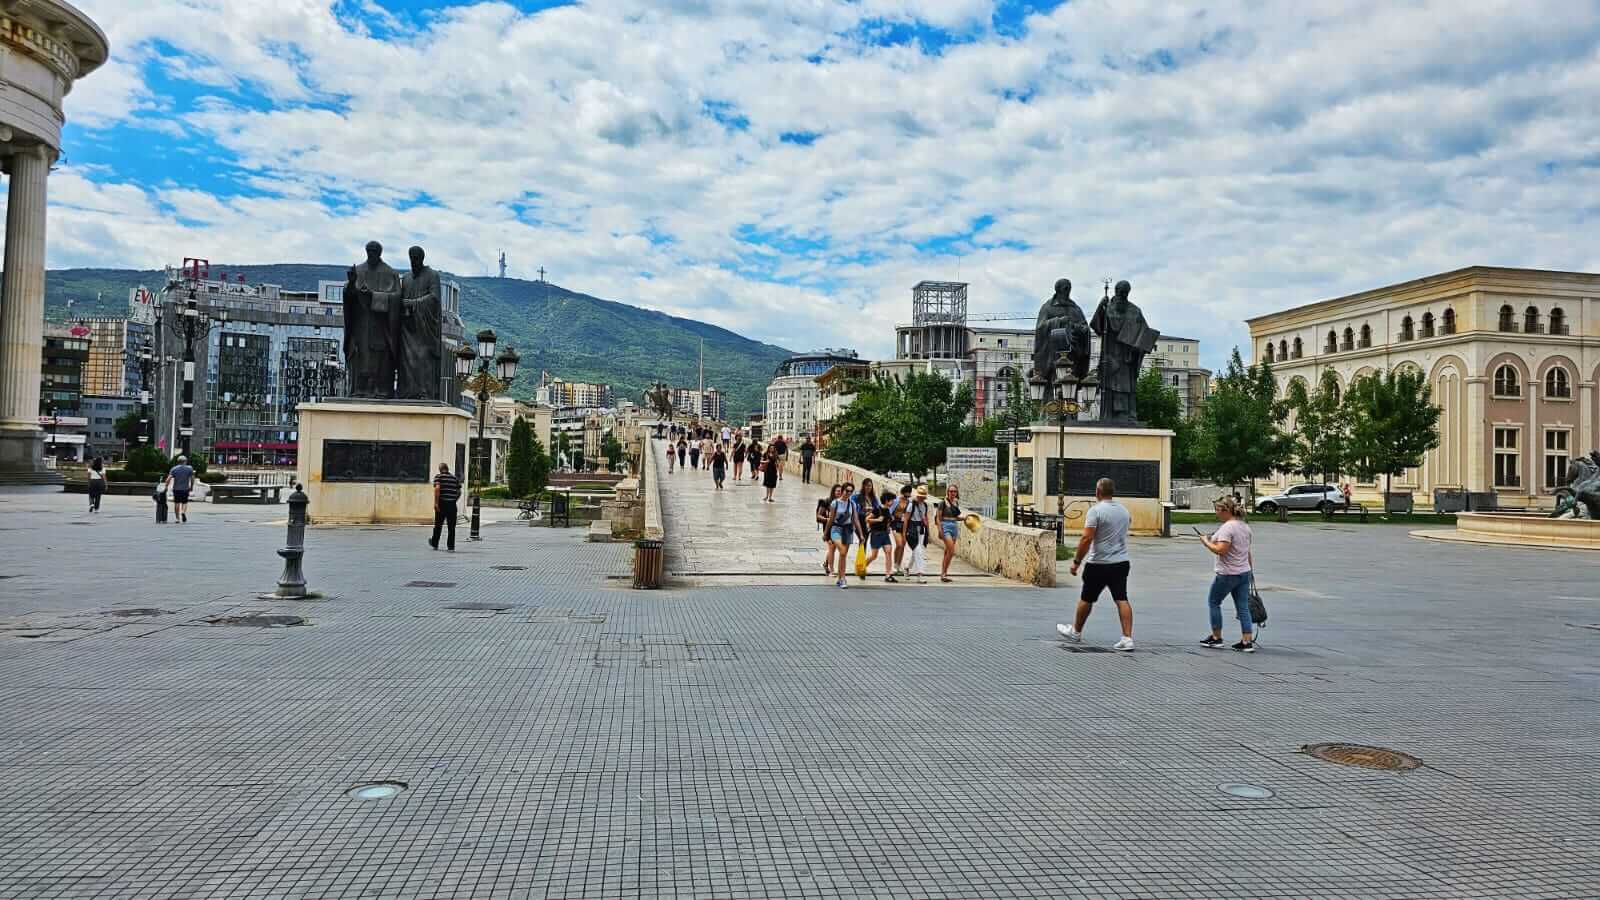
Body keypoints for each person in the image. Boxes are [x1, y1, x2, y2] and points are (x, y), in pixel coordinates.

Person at [1058, 477, 1135, 652]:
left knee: (1087, 598)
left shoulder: (1095, 511)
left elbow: (1087, 538)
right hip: (1121, 562)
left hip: (1099, 563)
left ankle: (1076, 632)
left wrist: (1076, 562)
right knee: (1121, 598)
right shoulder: (1124, 511)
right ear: (1112, 492)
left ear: (1097, 492)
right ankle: (1127, 638)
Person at [1198, 496, 1256, 652]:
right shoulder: (1244, 527)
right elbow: (1246, 551)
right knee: (1242, 606)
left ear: (1224, 510)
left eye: (1217, 510)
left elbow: (1221, 550)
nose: (1216, 513)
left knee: (1214, 602)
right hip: (1244, 572)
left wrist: (1206, 542)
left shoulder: (1227, 528)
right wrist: (1250, 571)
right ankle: (1246, 641)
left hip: (1228, 573)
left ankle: (1216, 638)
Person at [827, 480, 863, 588]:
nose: (849, 493)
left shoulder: (852, 504)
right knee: (842, 551)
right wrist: (826, 533)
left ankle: (840, 578)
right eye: (847, 491)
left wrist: (860, 534)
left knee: (843, 555)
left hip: (848, 529)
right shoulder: (835, 503)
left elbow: (856, 519)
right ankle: (842, 578)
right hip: (836, 529)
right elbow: (831, 519)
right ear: (842, 491)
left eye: (851, 491)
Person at [900, 485, 932, 583]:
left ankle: (906, 568)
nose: (922, 498)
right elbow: (906, 520)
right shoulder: (911, 505)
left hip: (921, 530)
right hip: (911, 530)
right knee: (918, 551)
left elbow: (926, 519)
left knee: (916, 552)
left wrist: (928, 533)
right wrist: (904, 534)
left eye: (923, 496)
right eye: (920, 496)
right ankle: (920, 574)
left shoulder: (925, 505)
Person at [934, 484, 963, 583]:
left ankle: (944, 573)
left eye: (954, 491)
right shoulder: (942, 503)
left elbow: (956, 517)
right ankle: (944, 573)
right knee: (951, 551)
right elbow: (938, 517)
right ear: (947, 492)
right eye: (951, 491)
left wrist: (964, 518)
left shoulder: (956, 503)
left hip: (954, 526)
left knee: (947, 552)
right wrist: (939, 530)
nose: (953, 493)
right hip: (945, 526)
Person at [430, 462, 461, 551]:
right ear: (447, 469)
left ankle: (435, 543)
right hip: (452, 505)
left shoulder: (438, 477)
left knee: (438, 525)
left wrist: (436, 503)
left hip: (442, 504)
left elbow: (437, 489)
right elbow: (459, 492)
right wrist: (454, 499)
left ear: (440, 469)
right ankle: (451, 546)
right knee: (451, 527)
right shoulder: (454, 478)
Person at [817, 484, 842, 576]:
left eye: (840, 491)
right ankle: (831, 570)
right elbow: (818, 516)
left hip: (838, 529)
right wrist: (827, 519)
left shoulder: (843, 503)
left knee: (833, 549)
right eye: (837, 491)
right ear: (833, 492)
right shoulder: (826, 502)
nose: (839, 493)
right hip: (828, 529)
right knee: (831, 547)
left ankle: (825, 564)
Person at [164, 455, 196, 524]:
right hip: (185, 489)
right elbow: (192, 479)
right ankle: (183, 512)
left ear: (178, 461)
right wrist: (192, 486)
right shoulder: (189, 468)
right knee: (184, 502)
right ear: (185, 461)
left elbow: (168, 479)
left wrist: (166, 486)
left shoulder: (174, 469)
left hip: (176, 489)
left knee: (177, 503)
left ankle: (177, 518)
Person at [889, 484, 912, 576]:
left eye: (908, 494)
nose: (906, 495)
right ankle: (894, 565)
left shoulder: (909, 503)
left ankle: (898, 565)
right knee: (899, 544)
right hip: (895, 523)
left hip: (904, 524)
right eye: (905, 493)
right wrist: (891, 518)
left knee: (903, 545)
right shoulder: (896, 501)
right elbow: (889, 511)